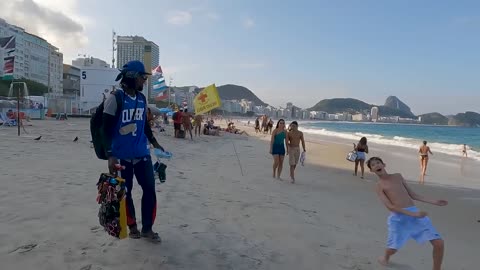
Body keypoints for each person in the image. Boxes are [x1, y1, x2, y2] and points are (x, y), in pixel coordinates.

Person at [102, 60, 164, 242]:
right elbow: (105, 129)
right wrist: (110, 155)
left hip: (142, 154)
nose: (144, 82)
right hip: (121, 157)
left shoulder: (142, 99)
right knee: (125, 193)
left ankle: (147, 228)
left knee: (150, 190)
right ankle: (132, 226)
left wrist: (154, 142)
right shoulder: (115, 98)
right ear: (131, 77)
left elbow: (144, 125)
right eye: (142, 77)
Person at [367, 157, 447, 270]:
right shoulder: (379, 186)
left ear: (384, 164)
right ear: (371, 170)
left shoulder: (398, 176)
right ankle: (385, 257)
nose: (376, 165)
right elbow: (391, 207)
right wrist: (413, 214)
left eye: (378, 163)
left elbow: (413, 195)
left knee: (439, 243)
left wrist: (435, 202)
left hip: (415, 214)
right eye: (373, 165)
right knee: (393, 248)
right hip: (399, 219)